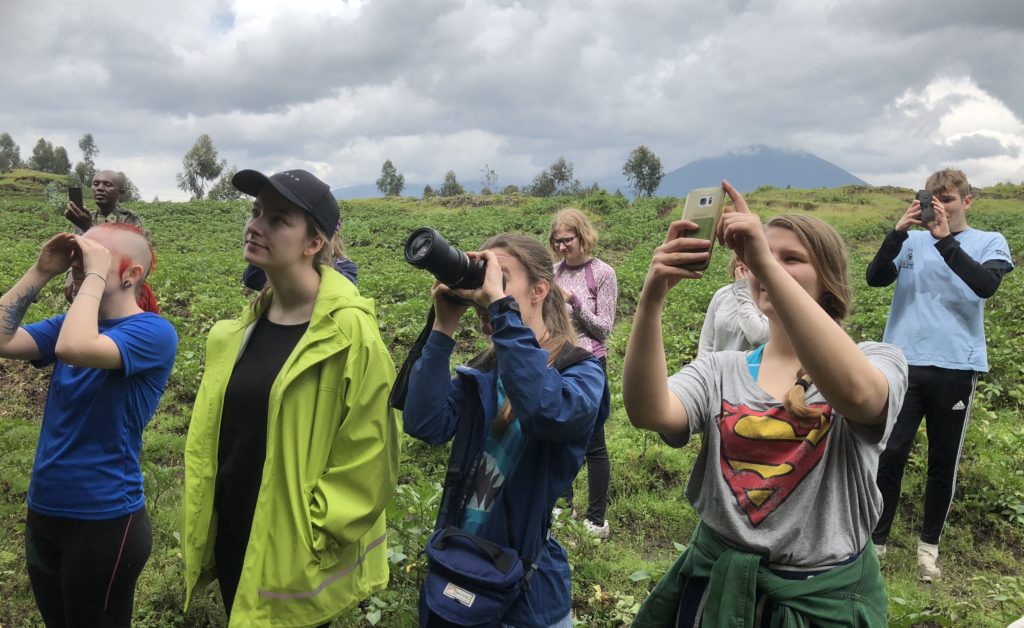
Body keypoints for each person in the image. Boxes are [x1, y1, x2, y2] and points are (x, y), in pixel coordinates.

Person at [623, 181, 908, 626]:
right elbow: (650, 412)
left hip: (822, 601)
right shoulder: (721, 368)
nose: (768, 267)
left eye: (790, 259)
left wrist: (761, 260)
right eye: (762, 256)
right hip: (719, 590)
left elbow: (857, 395)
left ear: (829, 279)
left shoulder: (879, 360)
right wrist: (652, 298)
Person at [181, 169, 400, 627]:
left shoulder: (351, 335)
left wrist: (314, 533)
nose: (256, 225)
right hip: (235, 533)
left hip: (294, 549)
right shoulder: (235, 332)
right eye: (256, 212)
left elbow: (370, 453)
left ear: (313, 243)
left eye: (278, 219)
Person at [404, 234, 609, 628]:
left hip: (524, 590)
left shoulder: (581, 371)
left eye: (500, 277)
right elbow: (425, 424)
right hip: (457, 565)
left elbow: (545, 411)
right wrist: (444, 326)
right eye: (485, 276)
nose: (486, 288)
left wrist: (501, 310)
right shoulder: (487, 367)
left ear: (539, 290)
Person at [0, 223, 177, 626]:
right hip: (45, 508)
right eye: (80, 260)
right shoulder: (72, 323)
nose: (79, 267)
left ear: (130, 276)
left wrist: (93, 276)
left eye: (95, 260)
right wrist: (41, 270)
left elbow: (74, 349)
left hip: (105, 519)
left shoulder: (153, 332)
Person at [867, 168, 1014, 581]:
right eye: (933, 199)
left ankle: (927, 549)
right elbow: (876, 278)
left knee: (942, 462)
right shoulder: (910, 240)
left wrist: (945, 240)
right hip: (902, 362)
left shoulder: (989, 242)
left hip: (956, 364)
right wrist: (897, 233)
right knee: (889, 452)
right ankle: (875, 543)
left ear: (967, 202)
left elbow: (984, 285)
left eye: (948, 199)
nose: (940, 207)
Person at [547, 208, 617, 539]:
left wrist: (574, 301)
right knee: (560, 435)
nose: (562, 248)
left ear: (582, 236)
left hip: (588, 365)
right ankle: (562, 504)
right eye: (557, 241)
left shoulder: (602, 274)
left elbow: (604, 328)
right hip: (558, 362)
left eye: (567, 241)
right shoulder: (552, 272)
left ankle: (596, 519)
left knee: (594, 443)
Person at [63, 170, 156, 311]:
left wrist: (87, 227)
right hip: (86, 285)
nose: (100, 188)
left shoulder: (129, 220)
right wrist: (71, 274)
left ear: (121, 192)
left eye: (107, 184)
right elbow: (77, 250)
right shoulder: (86, 217)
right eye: (96, 184)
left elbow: (129, 258)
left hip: (118, 292)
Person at [697, 254, 769, 354]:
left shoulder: (772, 298)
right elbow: (706, 344)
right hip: (718, 369)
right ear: (739, 260)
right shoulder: (722, 295)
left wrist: (743, 291)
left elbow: (758, 338)